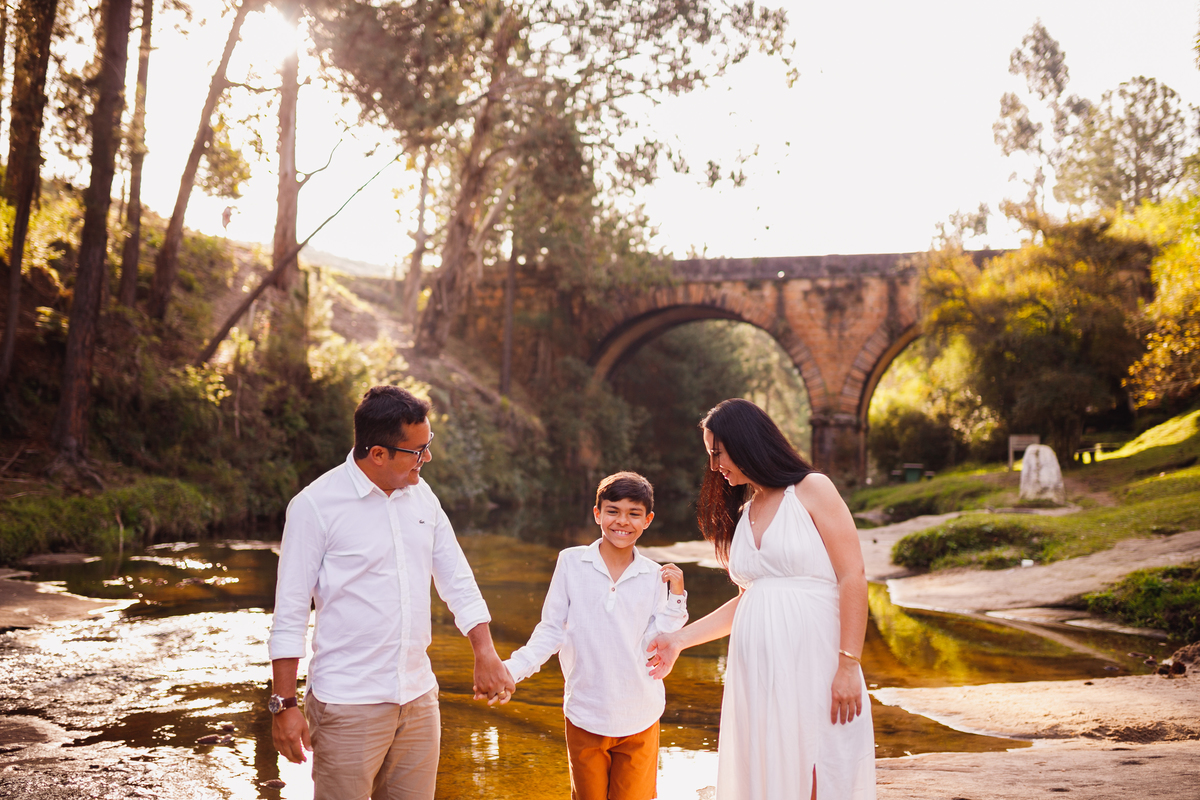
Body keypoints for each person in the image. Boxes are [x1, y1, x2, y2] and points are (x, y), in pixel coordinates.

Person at [268, 385, 514, 800]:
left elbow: (456, 577)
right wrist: (284, 706)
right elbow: (290, 613)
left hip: (418, 698)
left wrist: (485, 651)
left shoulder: (422, 496)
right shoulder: (314, 507)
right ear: (377, 453)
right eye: (417, 450)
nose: (428, 458)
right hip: (348, 703)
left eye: (428, 444)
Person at [646, 399, 876, 800]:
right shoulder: (747, 510)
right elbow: (750, 601)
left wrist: (848, 664)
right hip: (756, 671)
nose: (715, 466)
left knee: (822, 759)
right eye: (710, 456)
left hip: (814, 660)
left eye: (717, 453)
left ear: (746, 441)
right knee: (767, 767)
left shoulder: (811, 489)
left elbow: (852, 577)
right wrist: (678, 640)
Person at [504, 471, 688, 800]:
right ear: (597, 513)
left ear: (648, 520)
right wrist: (513, 670)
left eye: (634, 514)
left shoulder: (653, 575)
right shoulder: (571, 562)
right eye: (613, 510)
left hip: (640, 713)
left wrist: (676, 596)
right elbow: (551, 630)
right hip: (586, 713)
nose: (622, 521)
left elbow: (660, 638)